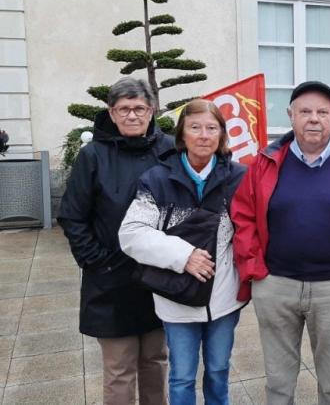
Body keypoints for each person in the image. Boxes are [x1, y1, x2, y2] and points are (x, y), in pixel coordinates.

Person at [232, 81, 330, 405]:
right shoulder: (264, 162)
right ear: (291, 116)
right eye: (305, 111)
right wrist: (254, 269)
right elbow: (243, 216)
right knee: (278, 385)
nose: (314, 119)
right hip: (275, 286)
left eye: (322, 112)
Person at [118, 99, 247, 405]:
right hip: (176, 297)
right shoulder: (158, 179)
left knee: (218, 370)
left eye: (211, 128)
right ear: (182, 135)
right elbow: (131, 233)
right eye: (195, 127)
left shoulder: (238, 177)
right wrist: (183, 256)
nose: (203, 135)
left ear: (222, 136)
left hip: (224, 297)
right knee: (182, 377)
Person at [58, 77, 171, 405]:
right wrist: (98, 261)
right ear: (111, 112)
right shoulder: (93, 155)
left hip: (159, 278)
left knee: (156, 362)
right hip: (110, 279)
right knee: (119, 370)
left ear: (151, 111)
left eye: (139, 108)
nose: (132, 116)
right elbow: (72, 216)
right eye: (124, 109)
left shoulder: (169, 150)